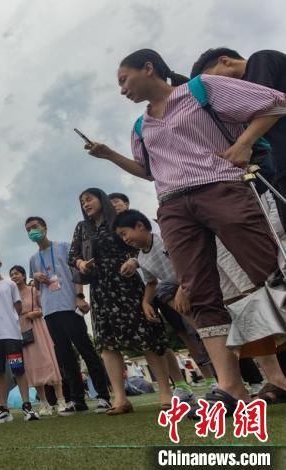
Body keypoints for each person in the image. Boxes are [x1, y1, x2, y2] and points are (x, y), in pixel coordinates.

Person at [84, 48, 286, 409]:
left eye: (124, 79)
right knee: (202, 292)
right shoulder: (140, 126)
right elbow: (148, 170)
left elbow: (274, 102)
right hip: (173, 206)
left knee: (269, 272)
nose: (122, 90)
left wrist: (243, 144)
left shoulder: (201, 89)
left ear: (149, 68)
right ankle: (231, 387)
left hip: (221, 187)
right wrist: (110, 155)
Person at [69, 188, 172, 414]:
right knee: (107, 343)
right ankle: (120, 398)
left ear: (101, 199)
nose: (85, 204)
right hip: (99, 287)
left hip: (127, 282)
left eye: (89, 199)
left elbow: (140, 246)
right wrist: (81, 264)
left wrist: (134, 261)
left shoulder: (118, 220)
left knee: (146, 335)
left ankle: (166, 392)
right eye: (82, 202)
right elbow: (72, 256)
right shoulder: (82, 227)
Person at [112, 209, 222, 403]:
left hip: (196, 283)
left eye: (124, 233)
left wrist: (182, 290)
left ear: (140, 226)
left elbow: (187, 263)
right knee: (197, 333)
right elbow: (152, 283)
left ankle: (223, 378)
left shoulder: (164, 239)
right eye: (121, 236)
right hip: (177, 293)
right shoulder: (142, 257)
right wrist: (146, 302)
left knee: (208, 331)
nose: (124, 239)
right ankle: (217, 377)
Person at [25, 216, 111, 415]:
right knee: (65, 356)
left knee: (85, 349)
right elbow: (36, 288)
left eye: (35, 227)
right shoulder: (33, 259)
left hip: (69, 305)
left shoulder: (64, 246)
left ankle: (103, 396)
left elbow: (76, 273)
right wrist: (36, 279)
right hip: (49, 310)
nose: (32, 231)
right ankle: (77, 399)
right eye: (28, 229)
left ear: (45, 227)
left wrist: (80, 296)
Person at [191, 47, 286, 226]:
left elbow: (265, 103)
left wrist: (242, 144)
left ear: (225, 61)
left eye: (212, 80)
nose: (213, 89)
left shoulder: (259, 60)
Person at [0, 251, 40, 424]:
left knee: (18, 369)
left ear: (0, 262)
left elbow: (18, 307)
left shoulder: (10, 285)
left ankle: (27, 406)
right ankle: (3, 409)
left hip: (11, 335)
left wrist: (8, 320)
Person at [9, 266, 66, 416]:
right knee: (32, 367)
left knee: (49, 361)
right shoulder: (11, 294)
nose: (14, 277)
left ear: (23, 275)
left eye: (16, 274)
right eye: (12, 275)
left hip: (38, 328)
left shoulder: (33, 290)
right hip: (22, 332)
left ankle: (61, 400)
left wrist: (35, 313)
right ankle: (44, 402)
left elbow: (45, 307)